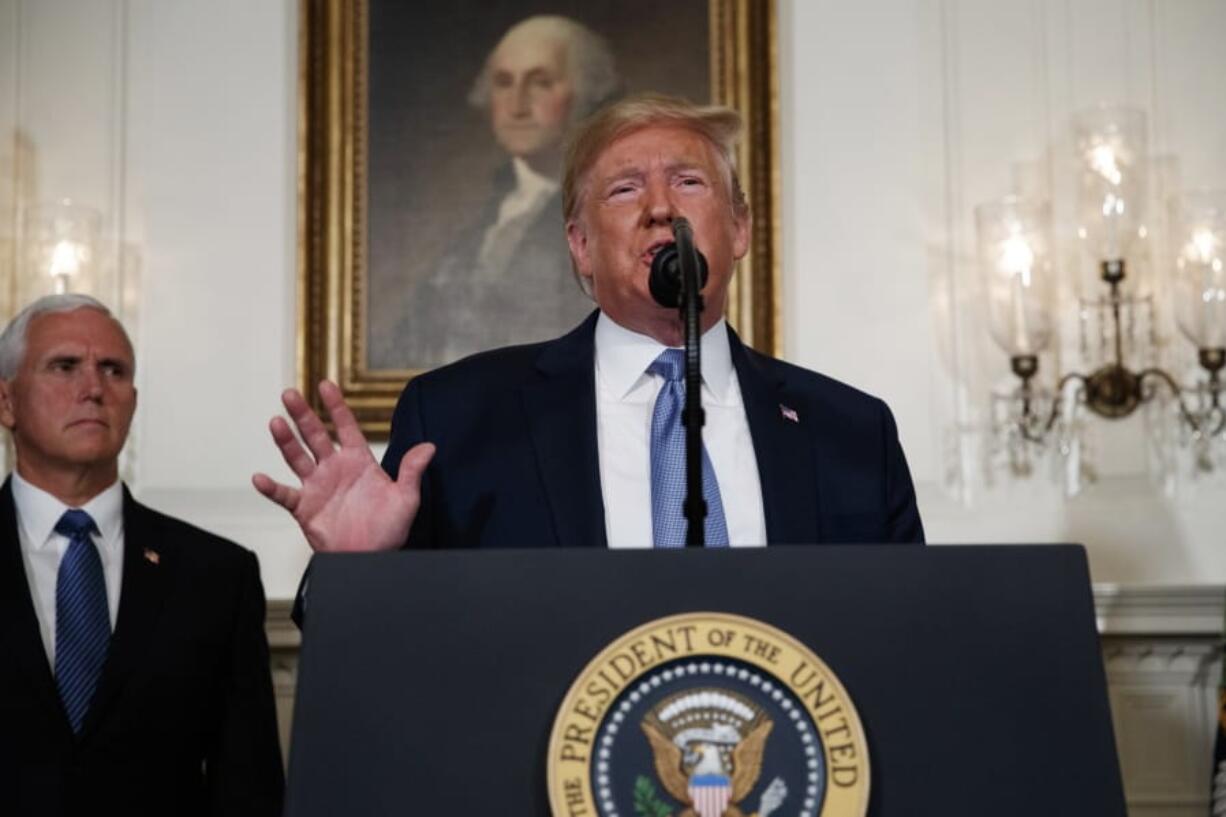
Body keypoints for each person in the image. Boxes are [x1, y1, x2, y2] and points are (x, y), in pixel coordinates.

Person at [256, 93, 924, 559]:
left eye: (688, 181)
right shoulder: (459, 421)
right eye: (626, 189)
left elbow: (906, 641)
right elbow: (396, 662)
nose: (661, 206)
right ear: (579, 244)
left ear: (741, 228)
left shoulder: (852, 435)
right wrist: (357, 569)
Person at [0, 295, 284, 816]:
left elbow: (247, 785)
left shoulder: (217, 576)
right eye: (64, 367)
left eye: (114, 370)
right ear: (7, 403)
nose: (93, 389)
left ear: (132, 398)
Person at [382, 14, 621, 366]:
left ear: (583, 94)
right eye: (504, 82)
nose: (518, 105)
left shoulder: (610, 212)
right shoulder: (482, 216)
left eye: (540, 83)